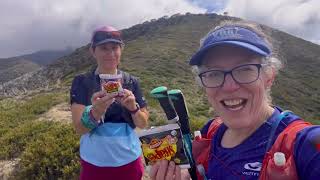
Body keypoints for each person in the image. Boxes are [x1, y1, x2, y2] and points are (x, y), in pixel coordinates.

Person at [150, 20, 320, 180]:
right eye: (214, 73)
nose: (229, 87)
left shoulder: (303, 145)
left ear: (269, 76)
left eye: (245, 69)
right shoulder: (211, 131)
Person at [70, 25, 149, 180]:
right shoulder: (82, 82)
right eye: (104, 48)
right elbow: (80, 128)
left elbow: (143, 123)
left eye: (115, 47)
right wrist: (95, 113)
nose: (111, 53)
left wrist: (133, 109)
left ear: (121, 50)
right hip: (94, 164)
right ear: (93, 51)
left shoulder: (131, 82)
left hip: (129, 162)